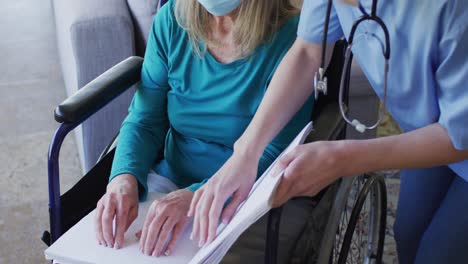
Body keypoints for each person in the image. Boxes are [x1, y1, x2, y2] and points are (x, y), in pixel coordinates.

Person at [189, 0, 468, 263]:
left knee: (440, 253)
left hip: (458, 135)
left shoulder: (453, 11)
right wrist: (246, 152)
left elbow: (461, 139)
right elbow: (308, 51)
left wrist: (343, 159)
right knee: (409, 232)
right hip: (431, 125)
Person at [93, 0, 314, 259]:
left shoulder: (293, 40)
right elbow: (144, 119)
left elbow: (276, 154)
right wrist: (124, 179)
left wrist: (195, 197)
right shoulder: (172, 21)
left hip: (246, 196)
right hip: (170, 182)